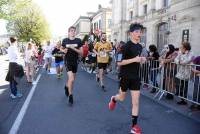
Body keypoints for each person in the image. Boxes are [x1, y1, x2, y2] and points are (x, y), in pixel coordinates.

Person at [108, 23, 146, 134]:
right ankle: (114, 99)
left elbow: (137, 59)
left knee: (136, 102)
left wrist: (142, 59)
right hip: (124, 77)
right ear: (131, 33)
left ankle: (134, 126)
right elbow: (119, 62)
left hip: (135, 77)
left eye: (140, 32)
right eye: (137, 32)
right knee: (122, 98)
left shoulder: (139, 46)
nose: (139, 34)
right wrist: (134, 60)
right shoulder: (125, 47)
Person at [61, 26, 82, 105]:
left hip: (75, 62)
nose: (73, 32)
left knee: (72, 81)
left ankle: (66, 87)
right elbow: (62, 49)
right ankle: (70, 95)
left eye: (74, 31)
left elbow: (81, 53)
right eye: (71, 31)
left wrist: (73, 48)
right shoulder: (65, 40)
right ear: (68, 32)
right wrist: (64, 50)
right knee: (71, 79)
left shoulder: (79, 41)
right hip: (67, 61)